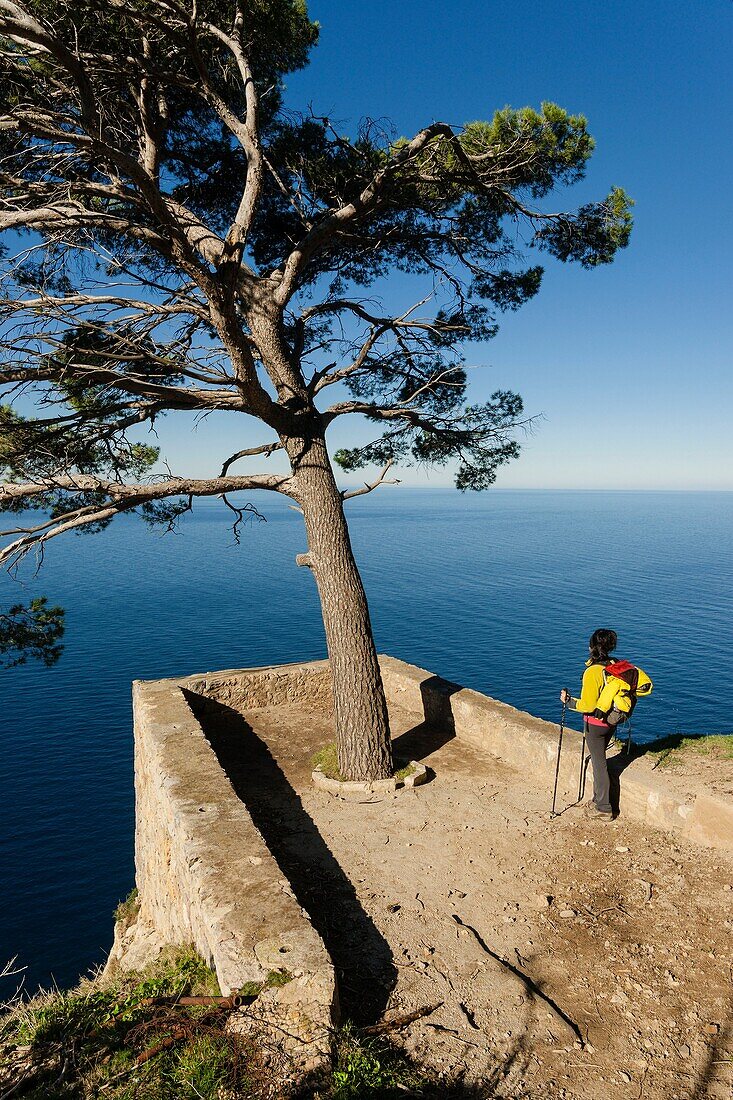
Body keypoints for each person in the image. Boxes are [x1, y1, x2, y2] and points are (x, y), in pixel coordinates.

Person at [560, 628, 619, 821]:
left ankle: (603, 807)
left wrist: (568, 701)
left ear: (591, 647)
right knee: (600, 759)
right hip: (611, 721)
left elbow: (587, 704)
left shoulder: (593, 672)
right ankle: (597, 800)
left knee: (598, 763)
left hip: (594, 724)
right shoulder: (614, 665)